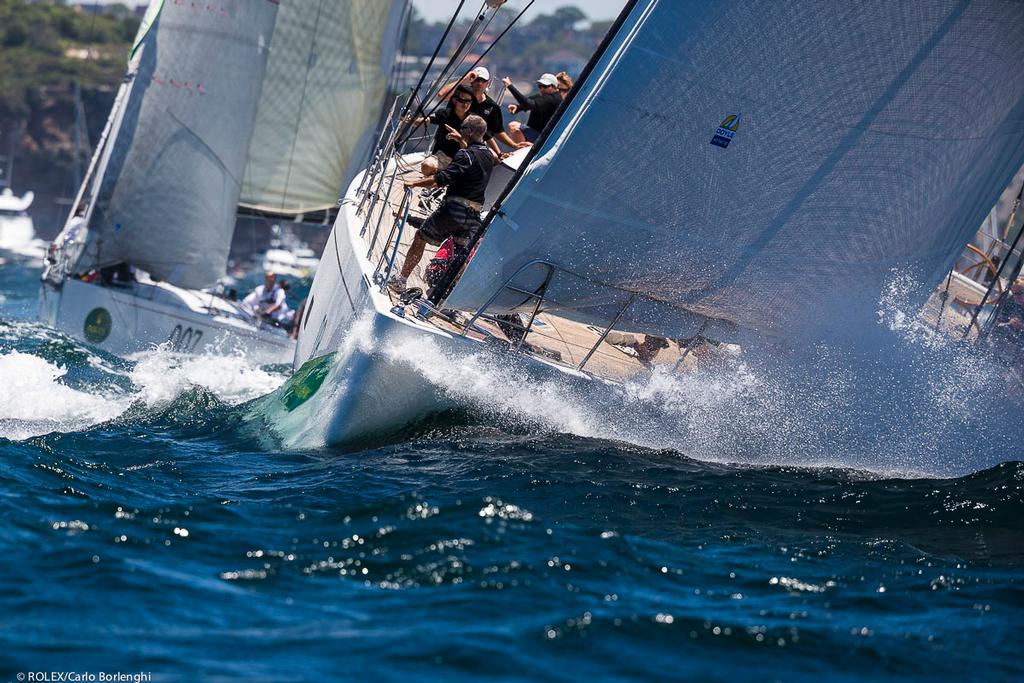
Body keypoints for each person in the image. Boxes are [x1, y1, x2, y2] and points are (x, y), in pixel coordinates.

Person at [389, 114, 495, 297]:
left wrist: (414, 183)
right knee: (460, 255)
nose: (460, 130)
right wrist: (461, 139)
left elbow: (441, 179)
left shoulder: (464, 155)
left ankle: (401, 281)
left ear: (469, 131)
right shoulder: (488, 155)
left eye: (463, 128)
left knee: (421, 237)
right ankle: (445, 296)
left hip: (454, 210)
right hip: (473, 216)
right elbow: (473, 157)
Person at [406, 84, 475, 177]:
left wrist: (459, 138)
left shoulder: (473, 121)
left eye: (469, 101)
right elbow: (426, 120)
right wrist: (408, 120)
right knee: (426, 166)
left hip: (462, 160)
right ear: (455, 100)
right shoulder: (445, 114)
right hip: (442, 156)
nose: (465, 104)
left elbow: (471, 148)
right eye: (462, 100)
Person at [502, 72, 563, 144]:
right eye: (540, 86)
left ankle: (523, 150)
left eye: (545, 86)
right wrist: (518, 107)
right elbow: (530, 100)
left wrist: (510, 86)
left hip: (543, 138)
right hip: (539, 134)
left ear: (554, 87)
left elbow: (529, 104)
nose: (542, 89)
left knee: (513, 126)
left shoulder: (552, 99)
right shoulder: (547, 96)